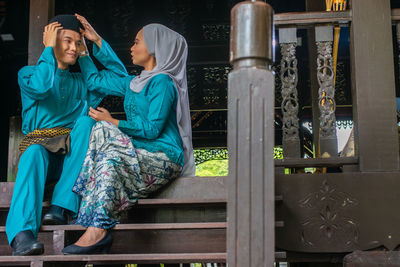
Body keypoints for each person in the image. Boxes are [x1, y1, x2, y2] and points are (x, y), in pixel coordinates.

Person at [61, 14, 195, 254]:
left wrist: (113, 120)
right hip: (137, 152)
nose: (131, 47)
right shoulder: (135, 83)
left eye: (136, 42)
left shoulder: (163, 83)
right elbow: (95, 79)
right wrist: (88, 46)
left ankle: (97, 228)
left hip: (163, 155)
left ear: (154, 47)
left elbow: (153, 129)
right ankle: (91, 219)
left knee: (109, 147)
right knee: (100, 129)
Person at [5, 14, 119, 256]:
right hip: (39, 160)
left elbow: (120, 80)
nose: (73, 48)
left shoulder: (83, 82)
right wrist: (47, 49)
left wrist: (93, 44)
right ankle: (22, 236)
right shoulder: (28, 74)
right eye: (67, 41)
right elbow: (40, 87)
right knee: (34, 151)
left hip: (71, 162)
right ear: (51, 40)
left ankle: (60, 206)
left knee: (88, 122)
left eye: (77, 43)